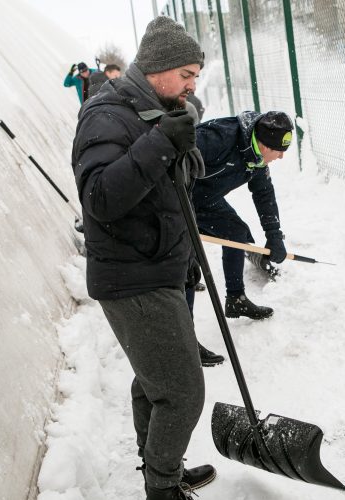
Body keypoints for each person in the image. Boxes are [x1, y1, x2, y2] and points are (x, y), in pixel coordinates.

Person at [71, 16, 216, 500]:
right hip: (132, 276)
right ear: (158, 69)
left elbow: (170, 189)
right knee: (183, 392)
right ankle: (163, 486)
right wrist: (161, 144)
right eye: (188, 74)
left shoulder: (154, 109)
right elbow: (100, 198)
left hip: (158, 266)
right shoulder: (106, 115)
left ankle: (162, 466)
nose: (194, 86)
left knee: (154, 383)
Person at [190, 110, 293, 320]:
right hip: (179, 200)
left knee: (235, 232)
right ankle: (185, 336)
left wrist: (274, 235)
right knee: (186, 264)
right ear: (265, 146)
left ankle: (236, 299)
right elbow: (169, 159)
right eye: (279, 151)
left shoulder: (257, 158)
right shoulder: (217, 139)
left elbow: (264, 194)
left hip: (207, 200)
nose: (281, 156)